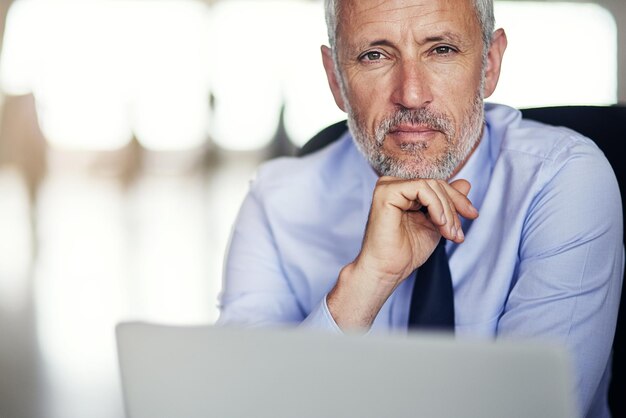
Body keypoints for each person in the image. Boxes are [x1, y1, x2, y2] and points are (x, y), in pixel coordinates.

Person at [216, 0, 624, 416]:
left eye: (441, 50)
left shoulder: (562, 179)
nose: (411, 94)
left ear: (489, 64)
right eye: (374, 54)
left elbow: (537, 410)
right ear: (335, 78)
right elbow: (241, 405)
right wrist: (364, 284)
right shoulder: (275, 202)